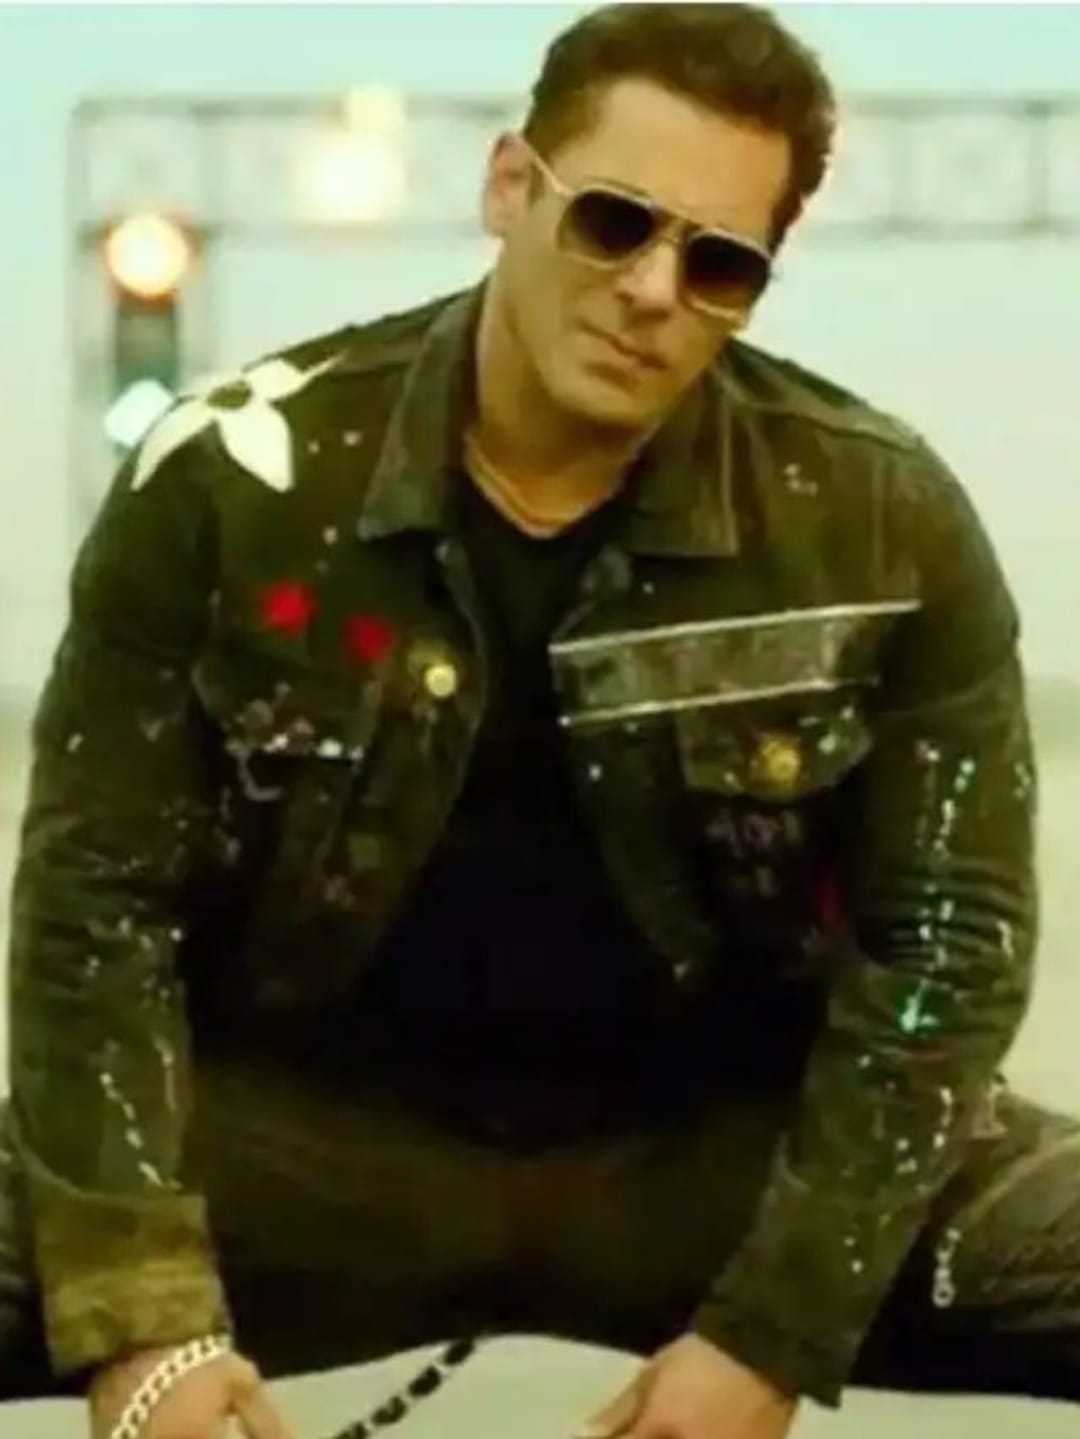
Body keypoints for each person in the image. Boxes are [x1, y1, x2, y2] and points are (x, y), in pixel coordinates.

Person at [3, 4, 1078, 1438]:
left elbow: (950, 950)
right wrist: (144, 1329)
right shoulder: (233, 481)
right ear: (510, 186)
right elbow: (95, 910)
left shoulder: (880, 520)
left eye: (718, 262)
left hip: (731, 1151)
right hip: (299, 1142)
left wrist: (773, 1333)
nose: (652, 290)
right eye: (614, 223)